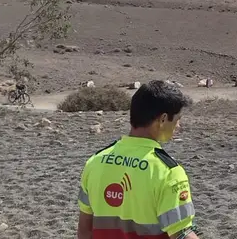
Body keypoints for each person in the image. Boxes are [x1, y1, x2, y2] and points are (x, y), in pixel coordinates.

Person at [77, 80, 200, 239]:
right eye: (177, 119)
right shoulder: (168, 172)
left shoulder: (94, 162)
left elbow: (84, 231)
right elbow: (182, 234)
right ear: (163, 119)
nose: (178, 126)